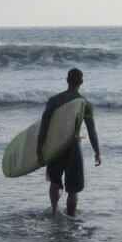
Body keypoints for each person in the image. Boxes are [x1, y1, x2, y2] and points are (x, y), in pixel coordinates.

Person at [36, 67, 101, 216]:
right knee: (73, 189)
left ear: (67, 80)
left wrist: (39, 150)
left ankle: (54, 211)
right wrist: (97, 152)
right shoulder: (86, 104)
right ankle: (71, 217)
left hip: (56, 146)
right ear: (82, 82)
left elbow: (44, 126)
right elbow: (92, 131)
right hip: (74, 148)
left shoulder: (54, 101)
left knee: (55, 182)